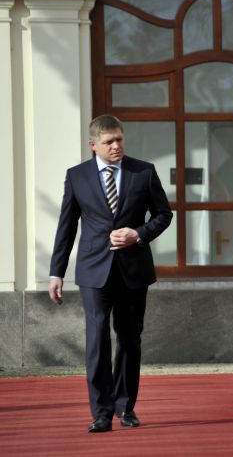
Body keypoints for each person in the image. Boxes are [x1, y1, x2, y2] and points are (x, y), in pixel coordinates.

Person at [48, 114, 173, 432]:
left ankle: (125, 407)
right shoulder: (77, 176)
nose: (117, 146)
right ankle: (101, 412)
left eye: (120, 139)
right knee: (97, 340)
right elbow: (66, 225)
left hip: (133, 270)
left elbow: (163, 214)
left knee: (130, 340)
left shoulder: (143, 171)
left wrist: (138, 233)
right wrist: (56, 272)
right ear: (93, 145)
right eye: (109, 141)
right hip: (93, 270)